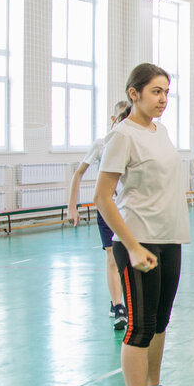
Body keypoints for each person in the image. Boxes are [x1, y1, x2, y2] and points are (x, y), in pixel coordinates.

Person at [94, 63, 190, 386]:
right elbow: (102, 198)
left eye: (166, 91)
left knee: (161, 321)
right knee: (139, 328)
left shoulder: (160, 131)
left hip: (170, 239)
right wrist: (131, 246)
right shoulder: (122, 136)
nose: (163, 98)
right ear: (134, 93)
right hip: (138, 243)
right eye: (155, 91)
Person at [67, 100, 131, 331]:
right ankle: (118, 307)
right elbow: (78, 173)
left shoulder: (135, 142)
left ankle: (125, 300)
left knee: (130, 259)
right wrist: (72, 206)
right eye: (120, 117)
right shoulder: (101, 145)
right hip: (109, 208)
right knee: (112, 258)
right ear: (113, 120)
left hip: (131, 210)